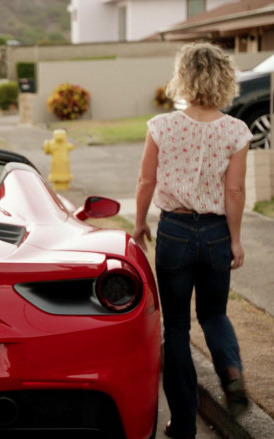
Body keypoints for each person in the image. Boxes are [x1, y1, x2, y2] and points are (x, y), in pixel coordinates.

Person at [133, 42, 251, 439]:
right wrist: (234, 240)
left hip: (175, 232)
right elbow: (234, 193)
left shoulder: (162, 126)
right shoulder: (236, 131)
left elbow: (146, 180)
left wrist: (138, 225)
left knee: (178, 328)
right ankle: (231, 373)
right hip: (216, 232)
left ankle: (182, 424)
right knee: (215, 314)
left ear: (183, 77)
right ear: (224, 78)